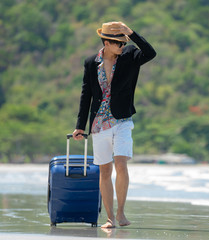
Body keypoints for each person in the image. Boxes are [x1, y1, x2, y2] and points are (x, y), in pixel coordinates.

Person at [72, 21, 156, 228]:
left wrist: (131, 33)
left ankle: (121, 213)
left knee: (121, 163)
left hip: (122, 120)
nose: (122, 45)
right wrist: (80, 125)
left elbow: (151, 52)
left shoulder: (130, 56)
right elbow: (87, 94)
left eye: (123, 42)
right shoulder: (91, 62)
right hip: (99, 124)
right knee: (105, 171)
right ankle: (110, 217)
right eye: (118, 43)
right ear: (107, 43)